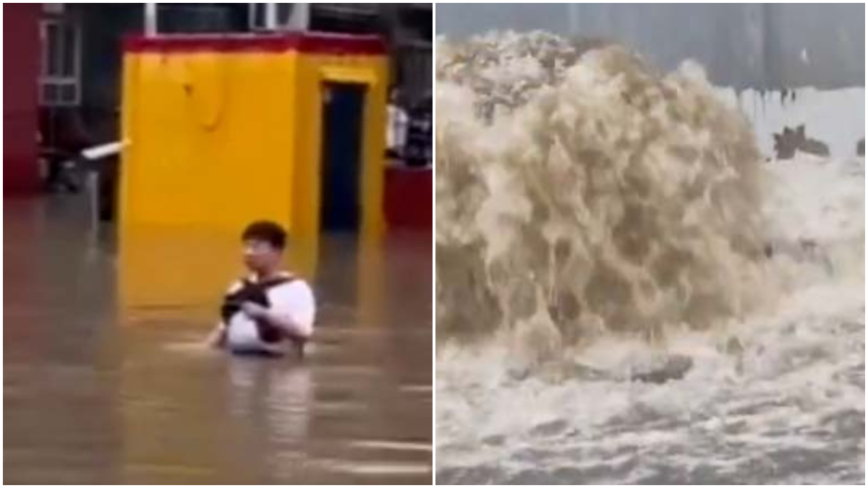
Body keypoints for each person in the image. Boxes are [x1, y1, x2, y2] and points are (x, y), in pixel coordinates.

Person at [207, 221, 316, 357]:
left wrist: (265, 315)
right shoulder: (238, 287)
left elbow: (303, 334)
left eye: (256, 247)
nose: (249, 253)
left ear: (277, 251)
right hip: (241, 367)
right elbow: (221, 334)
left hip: (279, 365)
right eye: (246, 246)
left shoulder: (296, 288)